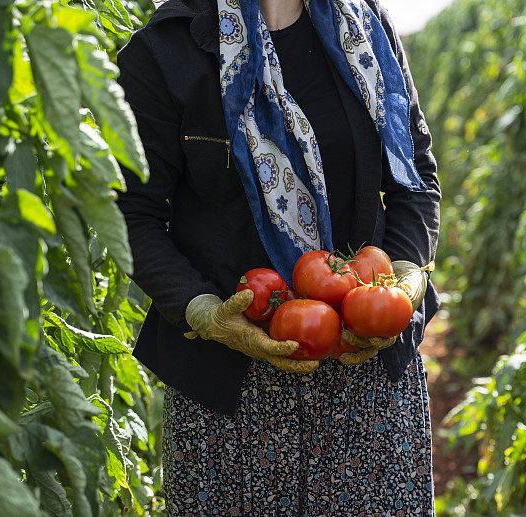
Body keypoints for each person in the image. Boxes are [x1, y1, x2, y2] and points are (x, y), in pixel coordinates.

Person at [114, 0, 441, 514]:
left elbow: (415, 177)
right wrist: (202, 311)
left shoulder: (365, 26)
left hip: (370, 379)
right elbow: (132, 213)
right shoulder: (166, 49)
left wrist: (402, 276)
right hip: (229, 398)